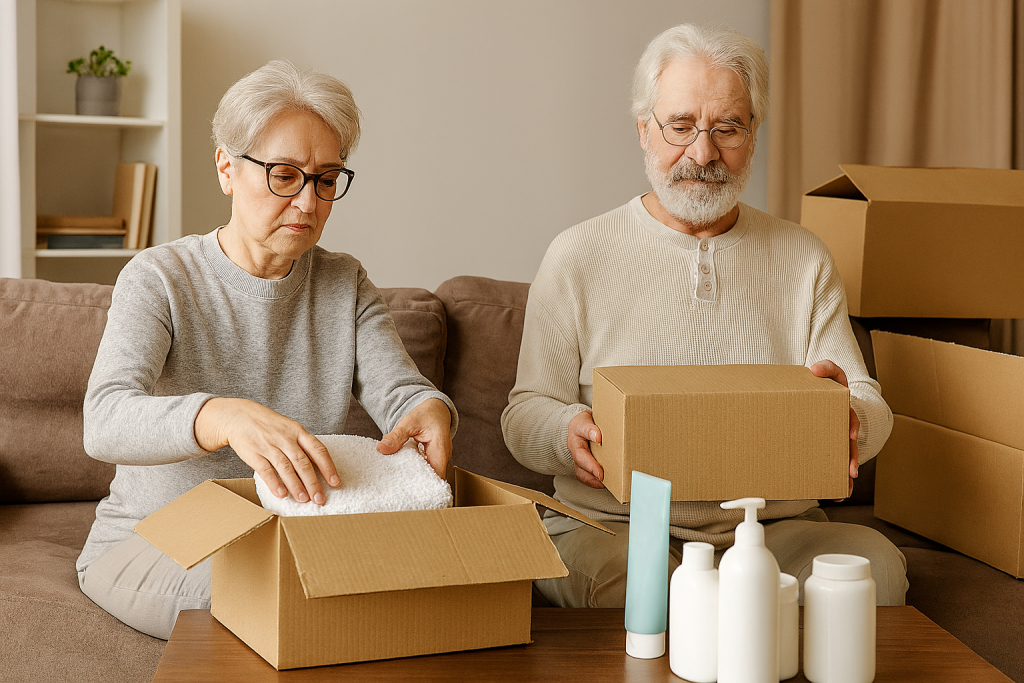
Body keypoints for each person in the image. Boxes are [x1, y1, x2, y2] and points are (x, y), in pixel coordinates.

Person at [501, 24, 908, 608]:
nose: (703, 153)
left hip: (770, 530)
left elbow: (868, 400)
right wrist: (569, 434)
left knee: (874, 569)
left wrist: (851, 417)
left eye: (727, 128)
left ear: (754, 134)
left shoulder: (803, 257)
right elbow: (522, 416)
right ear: (644, 131)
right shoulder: (578, 254)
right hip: (617, 525)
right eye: (681, 126)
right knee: (634, 588)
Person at [76, 60, 457, 639]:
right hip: (155, 540)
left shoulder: (344, 283)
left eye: (327, 178)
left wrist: (427, 410)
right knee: (303, 601)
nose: (308, 203)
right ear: (227, 169)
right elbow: (103, 420)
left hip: (286, 537)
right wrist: (221, 415)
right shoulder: (158, 277)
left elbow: (401, 391)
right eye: (284, 174)